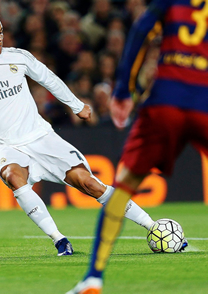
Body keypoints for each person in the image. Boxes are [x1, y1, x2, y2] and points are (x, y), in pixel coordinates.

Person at [0, 11, 155, 257]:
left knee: (89, 183)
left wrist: (77, 105)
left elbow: (49, 79)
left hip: (43, 137)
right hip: (7, 145)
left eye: (1, 32)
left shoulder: (18, 58)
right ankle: (60, 241)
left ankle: (153, 227)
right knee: (15, 177)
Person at [68, 0, 196, 292]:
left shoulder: (169, 5)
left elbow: (140, 29)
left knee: (121, 187)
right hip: (199, 98)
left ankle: (94, 277)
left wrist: (124, 88)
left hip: (168, 102)